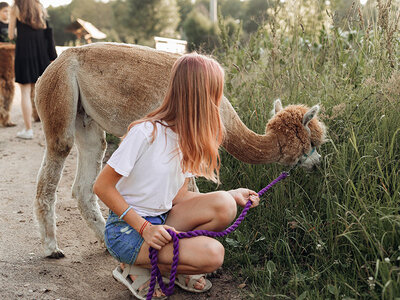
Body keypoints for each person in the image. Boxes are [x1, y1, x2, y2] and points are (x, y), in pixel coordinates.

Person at [93, 53, 261, 300]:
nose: (218, 105)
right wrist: (145, 227)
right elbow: (102, 187)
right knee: (213, 254)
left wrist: (231, 195)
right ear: (199, 98)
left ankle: (174, 266)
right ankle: (133, 267)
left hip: (161, 222)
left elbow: (178, 196)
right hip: (127, 230)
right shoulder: (146, 133)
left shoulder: (186, 141)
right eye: (216, 96)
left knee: (225, 205)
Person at [8, 0, 53, 139]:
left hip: (24, 52)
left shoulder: (16, 7)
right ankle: (52, 130)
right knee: (45, 92)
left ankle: (28, 130)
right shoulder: (39, 6)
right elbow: (46, 30)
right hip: (41, 53)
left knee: (25, 92)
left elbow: (10, 34)